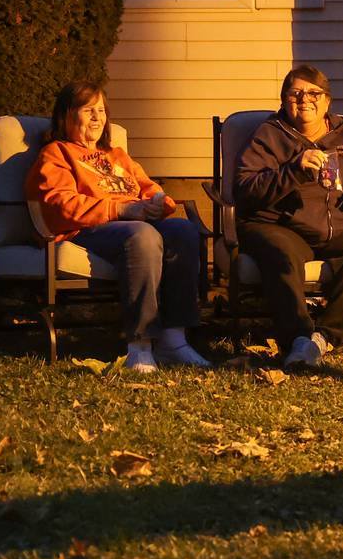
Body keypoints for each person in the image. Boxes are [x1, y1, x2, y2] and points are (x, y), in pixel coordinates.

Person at [26, 81, 208, 373]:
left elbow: (148, 188)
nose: (98, 117)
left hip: (132, 222)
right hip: (85, 230)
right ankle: (140, 345)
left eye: (101, 110)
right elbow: (61, 204)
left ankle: (173, 340)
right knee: (142, 235)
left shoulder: (117, 156)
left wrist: (158, 202)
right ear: (67, 115)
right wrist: (122, 208)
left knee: (183, 231)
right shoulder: (56, 154)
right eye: (88, 110)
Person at [234, 65, 343, 370]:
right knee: (278, 252)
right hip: (282, 225)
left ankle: (323, 338)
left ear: (327, 101)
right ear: (284, 100)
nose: (305, 100)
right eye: (295, 93)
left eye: (314, 93)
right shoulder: (269, 135)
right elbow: (245, 188)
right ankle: (297, 339)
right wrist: (293, 169)